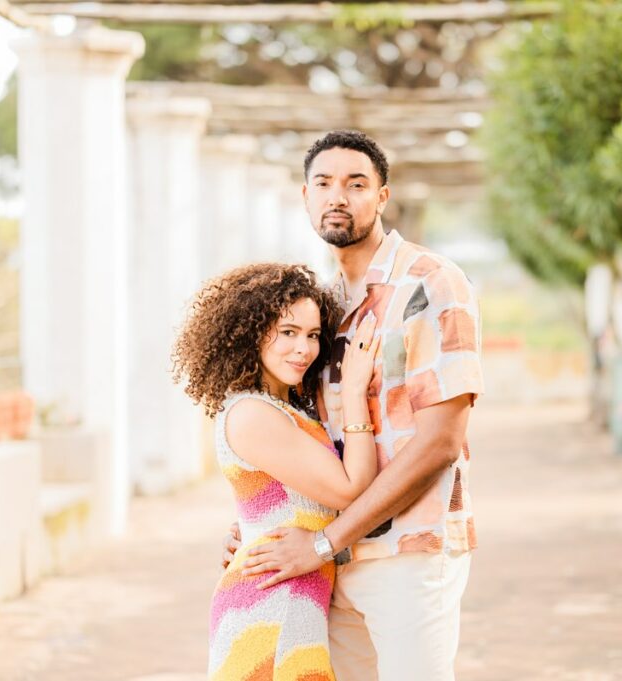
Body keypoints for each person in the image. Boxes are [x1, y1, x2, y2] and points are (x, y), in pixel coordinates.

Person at [223, 130, 485, 681]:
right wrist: (263, 517)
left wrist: (323, 541)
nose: (337, 196)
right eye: (324, 183)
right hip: (333, 565)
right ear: (305, 196)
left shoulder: (431, 284)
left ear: (382, 197)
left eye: (356, 183)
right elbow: (304, 436)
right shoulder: (319, 304)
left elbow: (438, 442)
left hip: (407, 551)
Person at [172, 262, 381, 680]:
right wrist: (354, 390)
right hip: (271, 607)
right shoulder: (253, 412)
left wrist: (247, 529)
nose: (303, 349)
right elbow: (349, 489)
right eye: (287, 332)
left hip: (292, 597)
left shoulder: (284, 410)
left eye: (312, 335)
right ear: (252, 333)